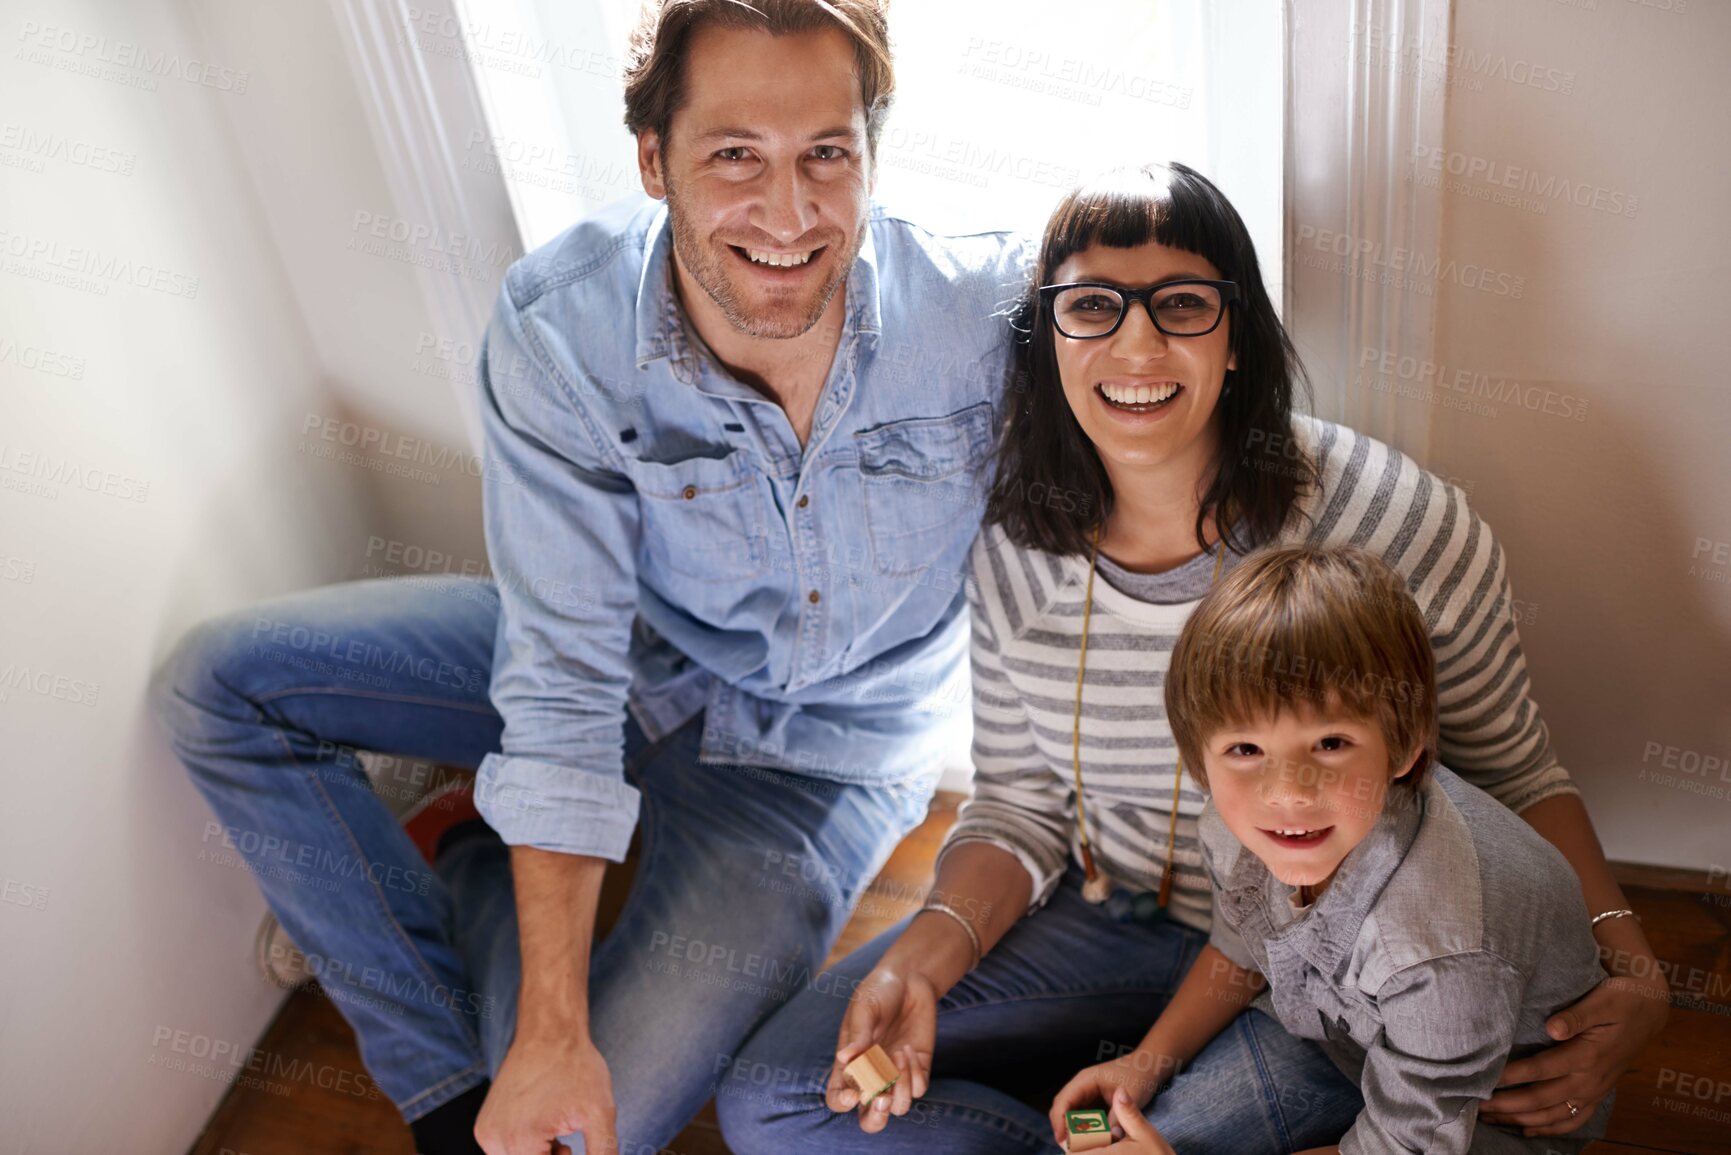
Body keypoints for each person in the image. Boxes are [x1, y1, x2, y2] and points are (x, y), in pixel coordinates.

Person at [147, 2, 1034, 1152]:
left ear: (873, 151)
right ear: (653, 160)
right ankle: (445, 1085)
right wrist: (543, 1041)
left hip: (824, 760)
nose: (789, 211)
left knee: (589, 1134)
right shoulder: (559, 330)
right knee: (218, 684)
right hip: (616, 664)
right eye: (734, 156)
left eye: (828, 154)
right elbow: (559, 678)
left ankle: (468, 859)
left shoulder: (987, 317)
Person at [718, 162, 1668, 1154]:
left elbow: (1519, 774)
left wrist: (1634, 973)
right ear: (1047, 341)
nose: (1136, 342)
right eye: (1092, 305)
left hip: (1354, 952)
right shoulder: (1015, 547)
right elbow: (1018, 806)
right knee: (781, 1098)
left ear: (1237, 339)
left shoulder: (1392, 519)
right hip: (1137, 929)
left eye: (1180, 304)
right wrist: (923, 956)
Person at [1049, 543, 1613, 1154]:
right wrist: (1145, 1063)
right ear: (1202, 764)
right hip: (1338, 1044)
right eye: (1245, 750)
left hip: (1486, 1120)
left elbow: (1405, 1145)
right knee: (1115, 1141)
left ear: (1404, 749)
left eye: (1330, 743)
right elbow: (1240, 947)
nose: (1287, 792)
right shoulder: (1230, 828)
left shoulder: (1436, 952)